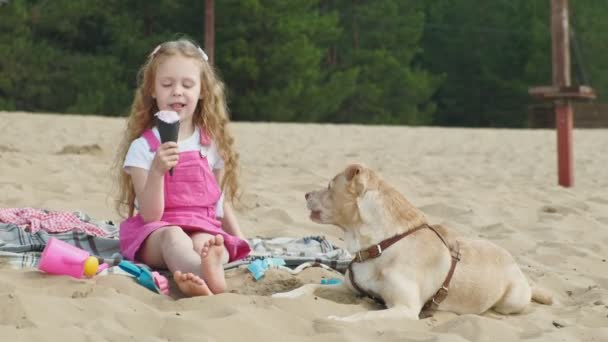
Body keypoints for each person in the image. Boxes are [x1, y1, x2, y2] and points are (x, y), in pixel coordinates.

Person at [114, 38, 250, 297]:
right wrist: (156, 171)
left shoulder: (211, 144)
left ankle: (205, 271)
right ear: (152, 90)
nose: (177, 91)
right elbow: (152, 216)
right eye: (167, 84)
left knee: (207, 242)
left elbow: (220, 202)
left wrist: (242, 239)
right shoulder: (143, 148)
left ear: (202, 91)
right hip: (158, 232)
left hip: (202, 224)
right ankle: (204, 274)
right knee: (174, 237)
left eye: (187, 84)